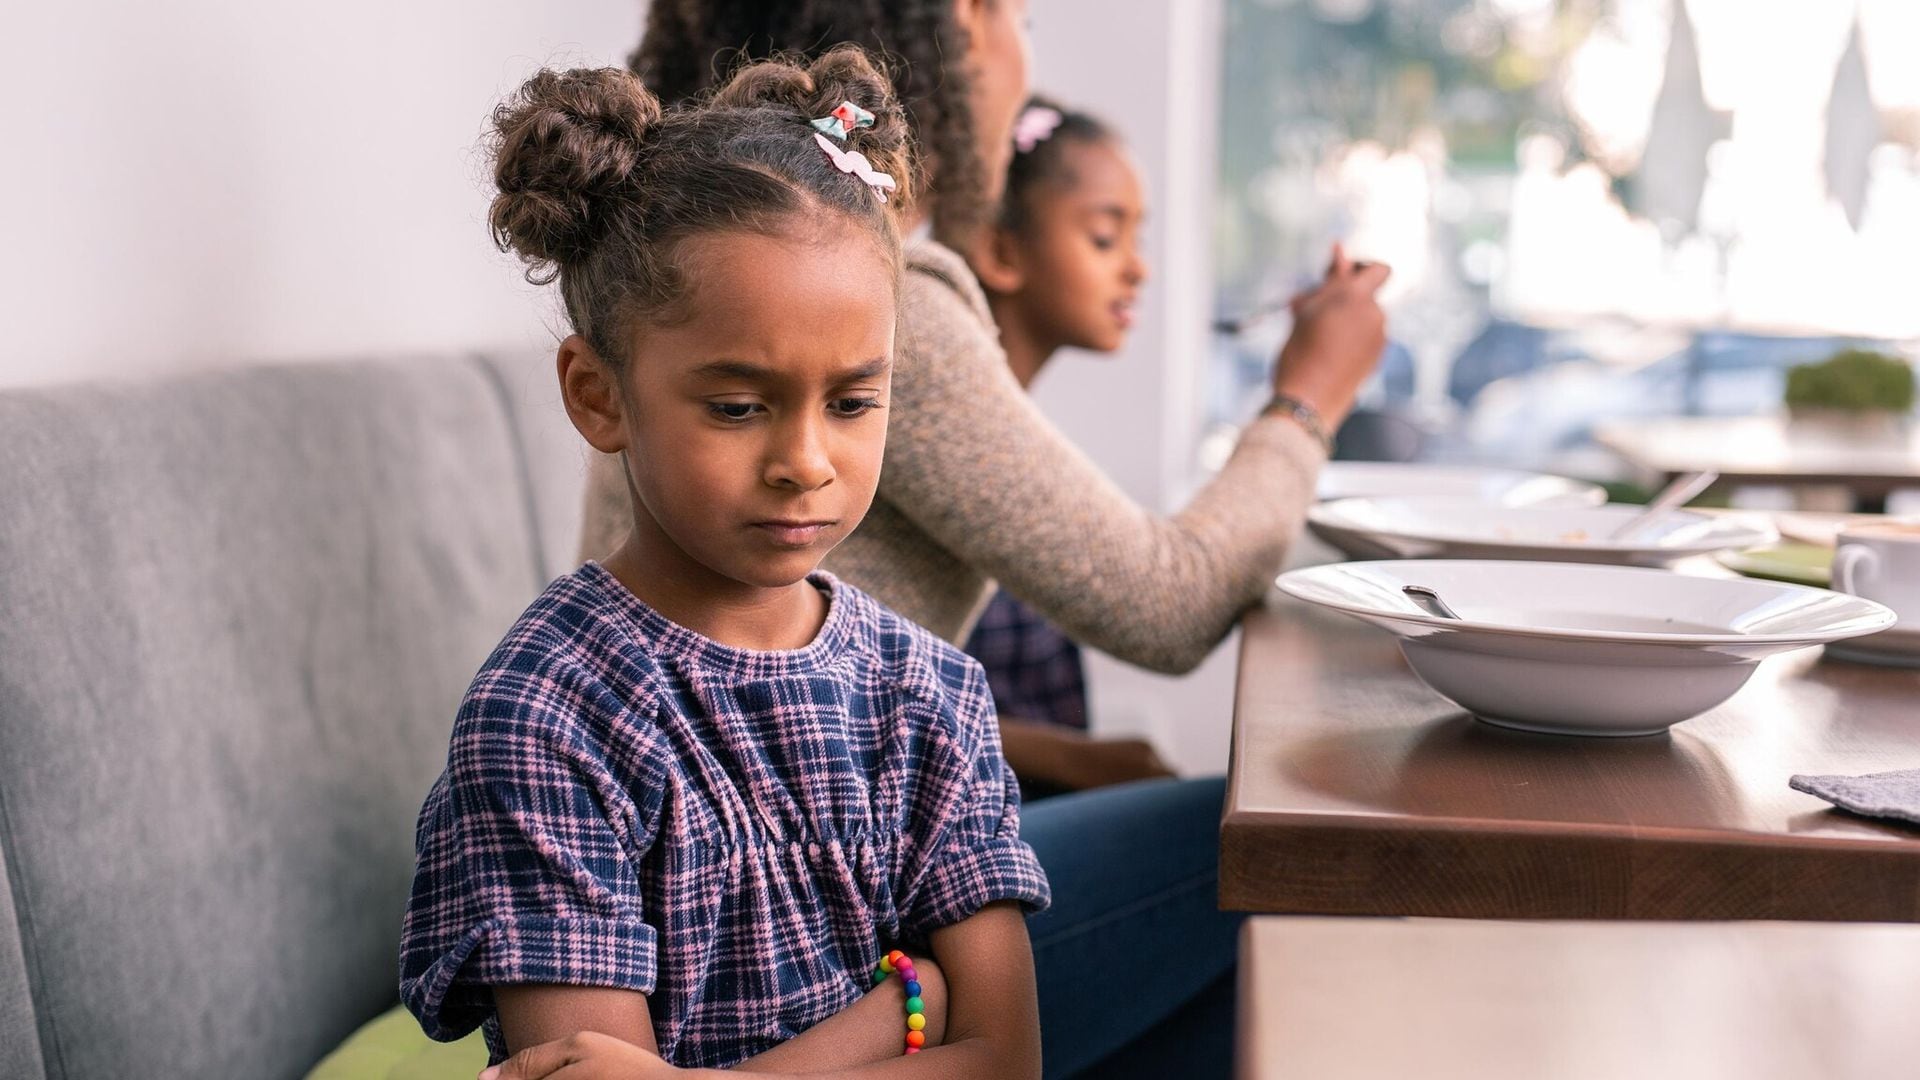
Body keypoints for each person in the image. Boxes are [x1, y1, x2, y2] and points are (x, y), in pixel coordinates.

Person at [584, 5, 1391, 1078]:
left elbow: (795, 683)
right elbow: (1172, 599)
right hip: (789, 934)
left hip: (803, 869)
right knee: (1284, 843)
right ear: (954, 32)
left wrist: (1043, 751)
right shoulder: (873, 301)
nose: (804, 457)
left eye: (853, 406)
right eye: (1004, 7)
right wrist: (1307, 396)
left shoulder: (691, 281)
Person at [401, 50, 1052, 1078]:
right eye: (738, 407)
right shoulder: (547, 718)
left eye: (852, 401)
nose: (804, 462)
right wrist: (903, 1008)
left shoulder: (929, 696)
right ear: (598, 393)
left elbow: (1006, 1061)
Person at [960, 97, 1170, 795]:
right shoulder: (946, 444)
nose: (1137, 269)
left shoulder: (1013, 432)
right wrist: (1077, 761)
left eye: (1138, 239)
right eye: (1106, 238)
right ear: (1000, 249)